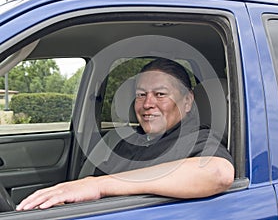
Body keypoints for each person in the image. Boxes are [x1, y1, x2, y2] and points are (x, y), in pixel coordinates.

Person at [16, 58, 234, 211]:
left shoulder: (198, 140)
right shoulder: (125, 141)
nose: (148, 104)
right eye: (141, 94)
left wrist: (98, 186)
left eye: (160, 94)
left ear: (187, 101)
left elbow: (218, 173)